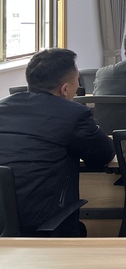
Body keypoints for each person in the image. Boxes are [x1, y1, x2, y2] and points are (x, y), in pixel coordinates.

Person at [0, 48, 114, 236]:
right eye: (77, 80)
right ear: (65, 89)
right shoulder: (74, 114)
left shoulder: (3, 106)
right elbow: (103, 155)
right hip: (41, 226)